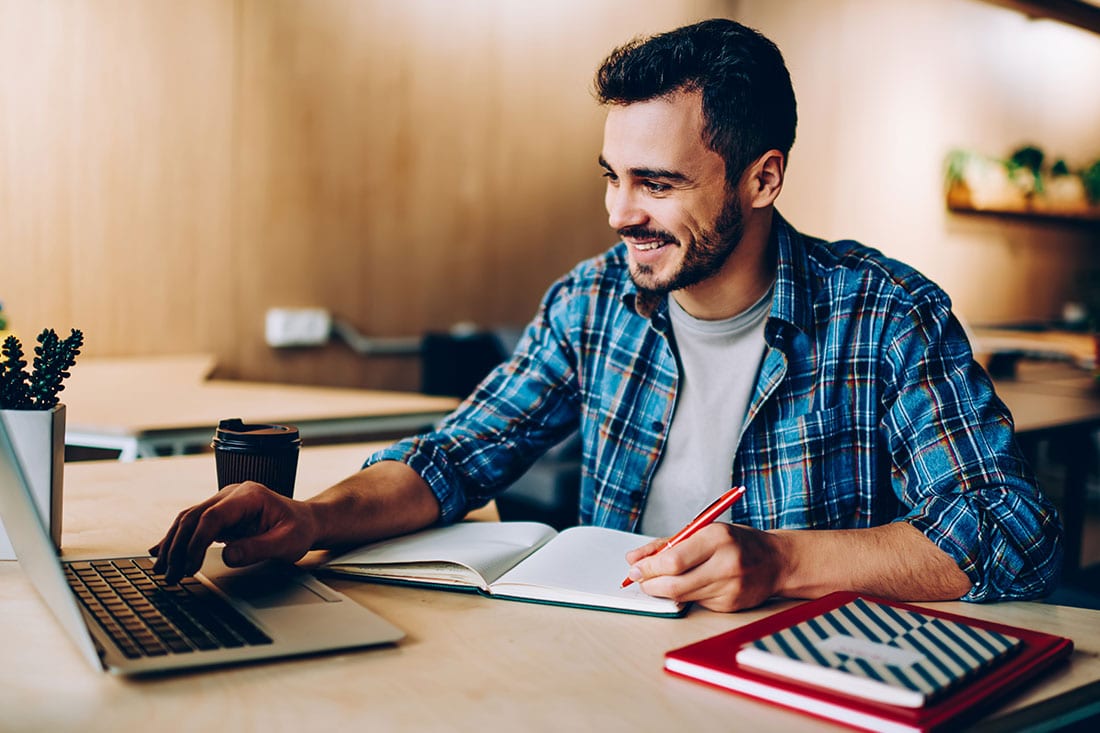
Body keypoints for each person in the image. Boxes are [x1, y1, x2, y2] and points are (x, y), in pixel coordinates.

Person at [152, 18, 1062, 612]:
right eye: (613, 177)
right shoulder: (593, 300)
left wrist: (781, 561)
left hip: (800, 687)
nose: (621, 213)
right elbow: (453, 458)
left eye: (657, 184)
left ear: (763, 177)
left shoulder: (886, 315)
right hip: (609, 673)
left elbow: (1011, 531)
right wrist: (310, 517)